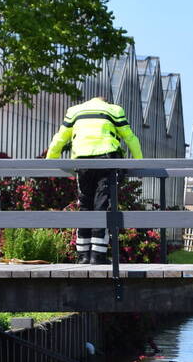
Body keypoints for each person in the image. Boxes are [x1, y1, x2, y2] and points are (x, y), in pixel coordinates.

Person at [46, 95, 142, 265]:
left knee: (85, 206)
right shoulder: (114, 110)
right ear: (105, 102)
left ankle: (82, 256)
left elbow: (59, 138)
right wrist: (139, 163)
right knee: (102, 207)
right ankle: (97, 256)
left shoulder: (74, 111)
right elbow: (130, 138)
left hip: (82, 162)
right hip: (106, 161)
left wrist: (50, 160)